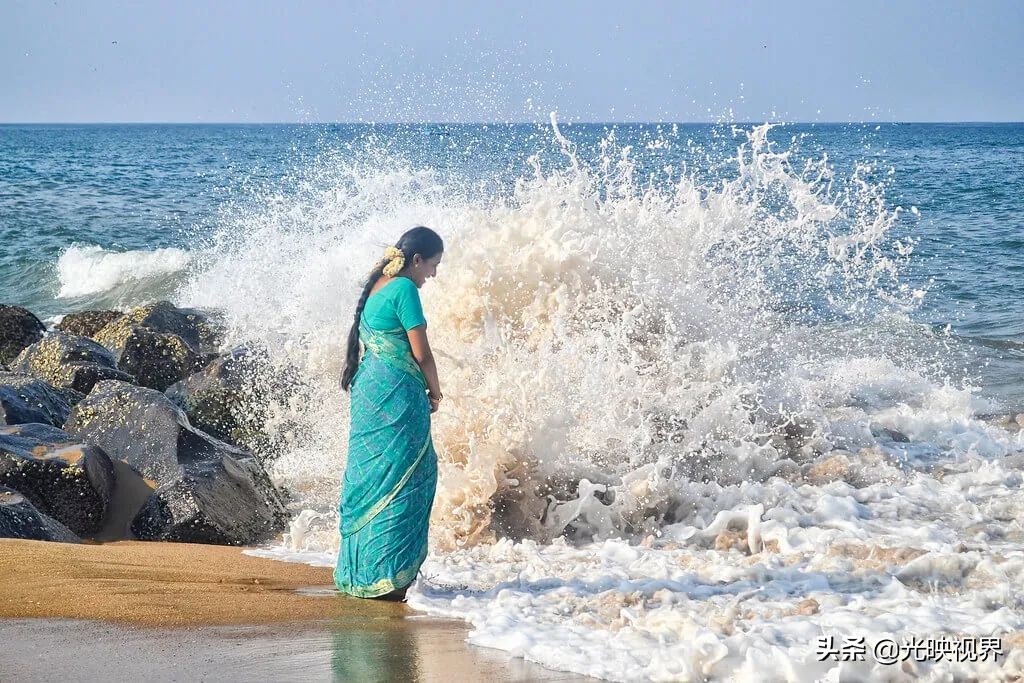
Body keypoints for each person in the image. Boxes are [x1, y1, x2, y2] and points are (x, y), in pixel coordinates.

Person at [334, 226, 444, 601]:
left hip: (370, 389)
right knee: (411, 474)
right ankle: (389, 578)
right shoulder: (405, 289)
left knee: (373, 474)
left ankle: (361, 574)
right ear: (416, 261)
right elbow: (422, 353)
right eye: (432, 265)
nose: (433, 274)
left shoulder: (379, 284)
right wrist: (436, 390)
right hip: (397, 391)